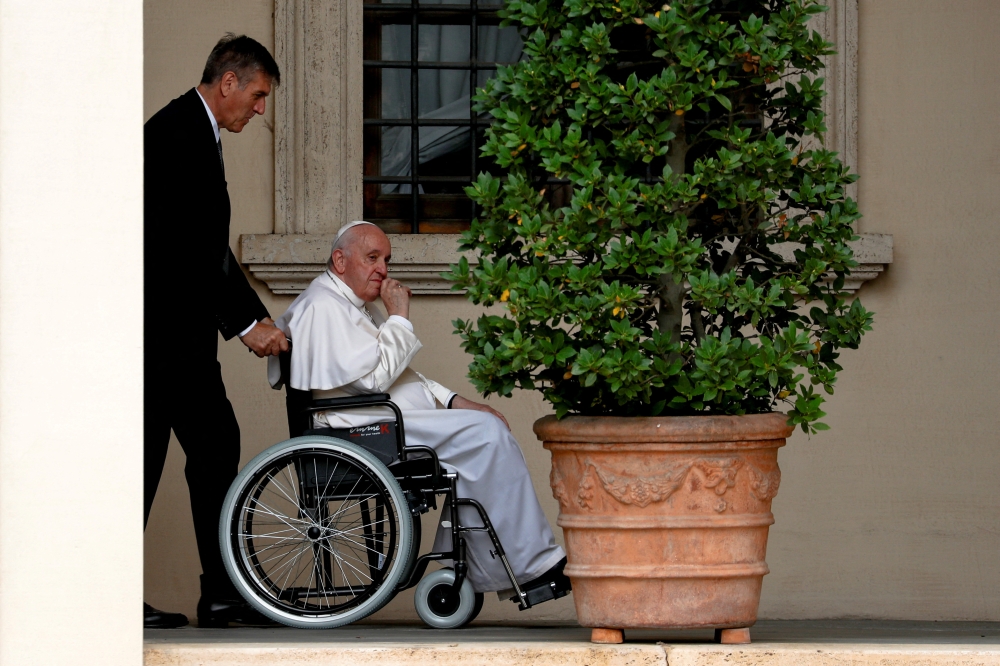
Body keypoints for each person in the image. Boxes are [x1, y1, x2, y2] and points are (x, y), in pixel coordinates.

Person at [269, 221, 571, 598]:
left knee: (485, 428)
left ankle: (497, 567)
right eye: (373, 258)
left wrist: (453, 400)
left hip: (383, 420)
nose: (382, 269)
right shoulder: (322, 305)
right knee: (487, 436)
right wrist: (399, 315)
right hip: (361, 429)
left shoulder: (354, 305)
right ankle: (528, 566)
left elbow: (404, 376)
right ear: (340, 260)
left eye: (386, 259)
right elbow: (375, 381)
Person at [144, 34, 289, 629]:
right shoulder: (178, 132)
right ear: (227, 81)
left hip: (170, 337)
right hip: (166, 339)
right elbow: (192, 249)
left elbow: (205, 249)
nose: (260, 109)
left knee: (192, 452)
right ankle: (222, 593)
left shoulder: (191, 130)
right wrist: (249, 322)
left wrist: (246, 316)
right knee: (207, 446)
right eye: (257, 95)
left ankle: (221, 592)